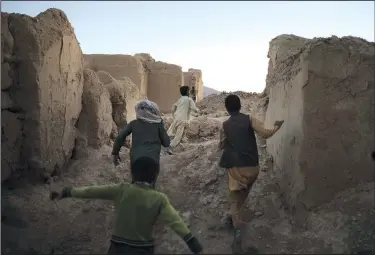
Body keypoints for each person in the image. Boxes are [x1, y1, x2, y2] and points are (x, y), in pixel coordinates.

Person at [50, 157, 203, 255]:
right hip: (143, 250)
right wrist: (192, 242)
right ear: (155, 176)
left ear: (132, 174)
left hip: (117, 248)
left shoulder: (121, 190)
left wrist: (67, 191)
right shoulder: (159, 199)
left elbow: (92, 191)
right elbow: (175, 221)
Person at [218, 94, 284, 254]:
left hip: (236, 170)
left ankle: (237, 234)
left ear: (227, 108)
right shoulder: (250, 119)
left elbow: (221, 146)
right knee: (242, 194)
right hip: (253, 168)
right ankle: (235, 214)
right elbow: (265, 134)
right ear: (240, 106)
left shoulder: (224, 125)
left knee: (234, 200)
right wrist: (276, 127)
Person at [111, 100, 171, 184]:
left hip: (136, 160)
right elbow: (166, 143)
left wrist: (115, 153)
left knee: (136, 184)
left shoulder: (133, 124)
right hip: (152, 160)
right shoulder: (158, 125)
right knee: (150, 185)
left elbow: (120, 137)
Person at [167, 86, 199, 150]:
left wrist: (174, 115)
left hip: (177, 118)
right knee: (178, 135)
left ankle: (182, 143)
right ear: (187, 92)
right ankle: (170, 147)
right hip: (183, 120)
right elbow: (194, 108)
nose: (189, 92)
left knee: (173, 131)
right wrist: (198, 111)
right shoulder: (189, 99)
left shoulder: (179, 99)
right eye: (189, 91)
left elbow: (173, 108)